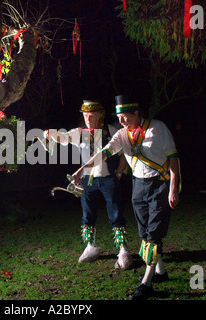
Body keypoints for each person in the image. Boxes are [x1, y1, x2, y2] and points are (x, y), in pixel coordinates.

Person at [72, 95, 181, 300]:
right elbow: (103, 154)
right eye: (119, 117)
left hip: (159, 184)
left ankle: (146, 284)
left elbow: (173, 159)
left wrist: (173, 187)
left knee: (153, 234)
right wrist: (81, 170)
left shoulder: (157, 128)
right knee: (145, 231)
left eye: (125, 117)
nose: (121, 121)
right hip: (138, 185)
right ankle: (161, 272)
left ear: (137, 113)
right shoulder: (122, 134)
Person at [44, 100, 133, 270]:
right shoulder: (79, 133)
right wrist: (51, 134)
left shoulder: (112, 131)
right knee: (87, 214)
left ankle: (123, 250)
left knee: (115, 213)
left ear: (100, 116)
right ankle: (91, 247)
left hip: (108, 179)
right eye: (85, 115)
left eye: (91, 116)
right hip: (86, 180)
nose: (87, 119)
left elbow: (123, 154)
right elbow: (63, 138)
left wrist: (119, 173)